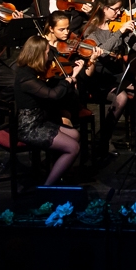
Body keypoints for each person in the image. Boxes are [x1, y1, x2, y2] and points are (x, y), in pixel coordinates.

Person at [82, 0, 136, 151]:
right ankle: (104, 137)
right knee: (121, 98)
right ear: (104, 8)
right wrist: (120, 32)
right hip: (100, 77)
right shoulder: (91, 30)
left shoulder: (119, 24)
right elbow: (102, 52)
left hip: (119, 74)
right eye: (115, 9)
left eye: (120, 8)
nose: (119, 12)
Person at [14, 35, 81, 185]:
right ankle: (47, 186)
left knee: (75, 134)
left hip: (40, 120)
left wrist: (71, 76)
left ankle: (56, 170)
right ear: (38, 54)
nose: (49, 56)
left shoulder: (32, 71)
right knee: (73, 148)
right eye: (46, 52)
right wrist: (67, 81)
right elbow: (53, 95)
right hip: (29, 127)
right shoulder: (26, 78)